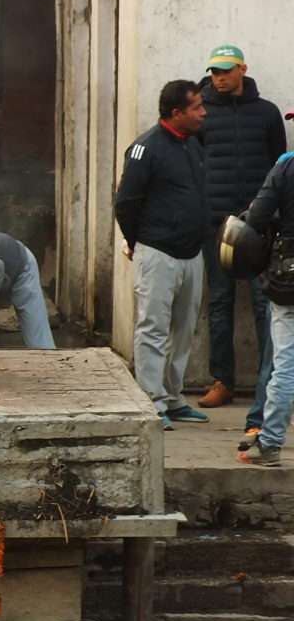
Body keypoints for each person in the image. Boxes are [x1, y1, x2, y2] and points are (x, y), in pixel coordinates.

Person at [196, 45, 285, 419]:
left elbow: (279, 163)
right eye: (214, 71)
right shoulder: (201, 114)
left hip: (259, 225)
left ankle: (270, 383)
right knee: (219, 302)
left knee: (266, 305)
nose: (219, 77)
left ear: (242, 70)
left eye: (226, 70)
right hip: (216, 224)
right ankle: (222, 380)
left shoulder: (266, 114)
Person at [115, 80, 211, 430]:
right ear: (176, 113)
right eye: (197, 107)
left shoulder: (193, 144)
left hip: (192, 254)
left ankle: (173, 397)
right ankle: (152, 402)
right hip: (157, 253)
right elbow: (125, 203)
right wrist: (135, 242)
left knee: (184, 331)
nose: (203, 112)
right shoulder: (145, 148)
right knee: (152, 328)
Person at [239, 154, 294, 466]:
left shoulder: (286, 167)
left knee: (285, 363)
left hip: (289, 277)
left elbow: (256, 218)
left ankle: (270, 442)